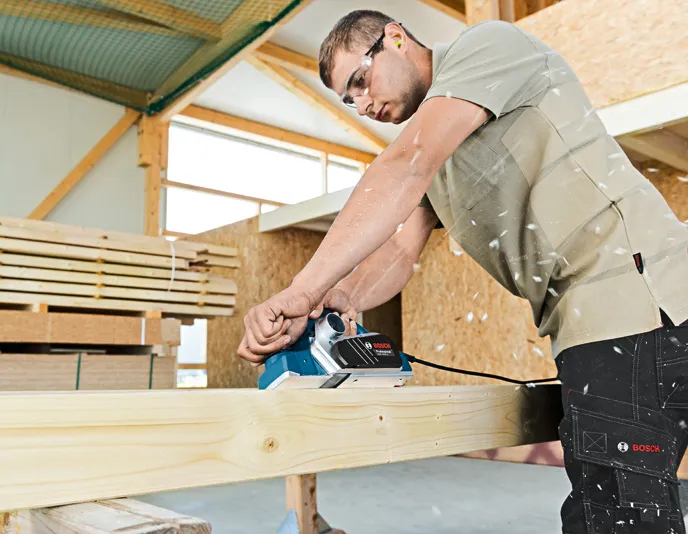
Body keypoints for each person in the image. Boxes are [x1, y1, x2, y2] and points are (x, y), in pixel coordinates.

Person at [237, 9, 688, 533]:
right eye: (348, 99)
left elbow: (406, 164)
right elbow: (401, 254)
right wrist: (337, 296)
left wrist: (298, 290)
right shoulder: (439, 150)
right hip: (610, 324)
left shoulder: (486, 46)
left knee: (616, 521)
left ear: (397, 39)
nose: (362, 104)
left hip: (636, 307)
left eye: (360, 80)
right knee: (608, 512)